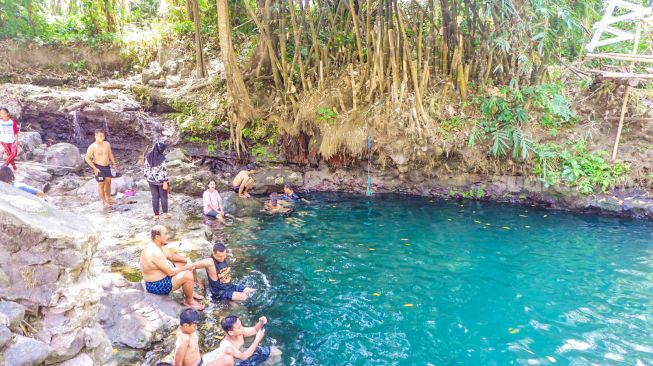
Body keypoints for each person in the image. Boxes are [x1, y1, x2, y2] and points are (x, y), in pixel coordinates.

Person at [140, 225, 204, 310]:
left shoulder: (159, 246)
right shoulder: (154, 252)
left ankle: (190, 291)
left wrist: (186, 260)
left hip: (165, 276)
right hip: (156, 285)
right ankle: (189, 301)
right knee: (187, 275)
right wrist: (186, 267)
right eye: (166, 234)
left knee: (182, 263)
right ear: (157, 237)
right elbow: (170, 272)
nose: (168, 236)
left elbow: (172, 257)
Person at [217, 315, 282, 365]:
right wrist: (257, 339)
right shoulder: (226, 346)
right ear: (231, 332)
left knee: (277, 353)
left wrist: (261, 322)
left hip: (245, 353)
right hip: (238, 363)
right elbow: (243, 357)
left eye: (241, 325)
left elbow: (255, 330)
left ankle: (267, 363)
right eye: (239, 327)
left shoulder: (239, 332)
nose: (242, 328)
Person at [85, 129, 118, 208]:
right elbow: (87, 158)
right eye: (100, 136)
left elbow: (110, 154)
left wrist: (114, 163)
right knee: (101, 184)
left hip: (107, 166)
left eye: (103, 136)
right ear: (95, 136)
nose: (102, 138)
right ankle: (103, 201)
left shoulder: (107, 144)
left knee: (108, 181)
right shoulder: (92, 147)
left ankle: (109, 198)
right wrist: (94, 168)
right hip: (98, 167)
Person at [144, 142, 171, 219]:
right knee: (163, 197)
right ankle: (165, 214)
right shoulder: (162, 158)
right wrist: (165, 181)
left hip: (151, 181)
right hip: (161, 181)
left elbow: (145, 169)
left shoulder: (148, 156)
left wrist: (148, 177)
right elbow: (164, 171)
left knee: (154, 197)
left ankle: (156, 215)